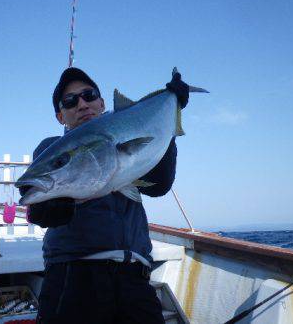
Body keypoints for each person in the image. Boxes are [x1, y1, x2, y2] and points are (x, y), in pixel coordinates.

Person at [19, 67, 189, 324]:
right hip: (75, 277)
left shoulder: (126, 136)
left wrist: (169, 113)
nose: (82, 104)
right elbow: (44, 211)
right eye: (70, 101)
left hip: (135, 276)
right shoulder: (50, 148)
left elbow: (159, 185)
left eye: (89, 95)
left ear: (101, 102)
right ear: (60, 116)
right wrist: (62, 200)